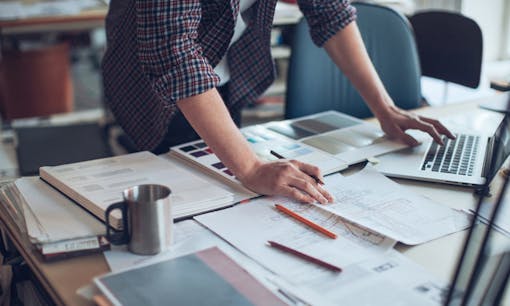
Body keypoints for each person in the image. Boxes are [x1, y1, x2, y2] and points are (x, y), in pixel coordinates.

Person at [102, 0, 454, 205]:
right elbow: (172, 54)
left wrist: (385, 109)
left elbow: (330, 11)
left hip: (219, 71)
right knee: (175, 199)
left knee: (224, 188)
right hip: (149, 83)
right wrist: (251, 168)